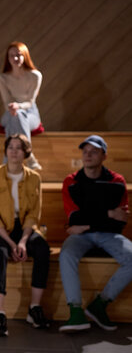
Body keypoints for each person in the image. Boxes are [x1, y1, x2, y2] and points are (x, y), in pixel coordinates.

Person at [59, 135, 131, 333]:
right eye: (85, 151)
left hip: (109, 234)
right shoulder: (70, 182)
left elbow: (120, 221)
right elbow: (74, 218)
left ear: (104, 155)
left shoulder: (117, 181)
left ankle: (99, 305)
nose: (88, 155)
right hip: (80, 237)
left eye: (94, 151)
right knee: (66, 254)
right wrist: (107, 213)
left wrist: (86, 221)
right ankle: (75, 311)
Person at [0, 134, 50, 337]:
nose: (13, 151)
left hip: (24, 230)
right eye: (10, 147)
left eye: (19, 148)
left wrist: (23, 241)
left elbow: (33, 214)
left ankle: (34, 307)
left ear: (26, 153)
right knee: (0, 252)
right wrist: (12, 244)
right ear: (5, 150)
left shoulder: (35, 178)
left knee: (43, 251)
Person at [0, 41, 43, 171]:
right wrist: (12, 108)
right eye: (11, 55)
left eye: (18, 55)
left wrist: (18, 107)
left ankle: (7, 163)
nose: (15, 58)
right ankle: (29, 157)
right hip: (9, 113)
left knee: (18, 117)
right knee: (15, 117)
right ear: (7, 58)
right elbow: (6, 103)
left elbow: (30, 101)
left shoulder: (35, 76)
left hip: (31, 114)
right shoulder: (3, 78)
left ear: (25, 56)